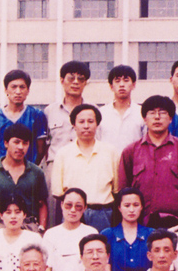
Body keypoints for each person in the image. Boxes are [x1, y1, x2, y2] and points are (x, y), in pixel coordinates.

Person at [118, 95, 178, 229]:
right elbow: (123, 191)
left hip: (175, 223)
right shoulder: (131, 151)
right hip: (140, 223)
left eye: (163, 113)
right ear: (144, 119)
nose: (157, 117)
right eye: (152, 113)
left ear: (171, 118)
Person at [52, 103, 119, 232]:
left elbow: (116, 189)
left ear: (97, 124)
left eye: (91, 121)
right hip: (73, 213)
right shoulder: (63, 153)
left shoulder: (110, 152)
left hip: (102, 214)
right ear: (74, 125)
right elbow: (58, 192)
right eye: (81, 122)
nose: (86, 126)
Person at [0, 123, 49, 231]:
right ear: (6, 143)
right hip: (2, 228)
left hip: (30, 228)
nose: (21, 147)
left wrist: (41, 229)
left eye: (25, 143)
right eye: (16, 142)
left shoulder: (36, 173)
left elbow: (42, 204)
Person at [45, 61, 91, 225]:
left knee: (81, 209)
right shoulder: (50, 111)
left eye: (81, 79)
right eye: (71, 78)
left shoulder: (92, 111)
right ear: (62, 80)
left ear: (85, 83)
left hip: (83, 165)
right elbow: (44, 144)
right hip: (55, 167)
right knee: (53, 212)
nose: (75, 82)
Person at [0, 69, 48, 165]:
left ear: (28, 91)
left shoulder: (37, 115)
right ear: (6, 90)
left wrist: (30, 169)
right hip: (3, 172)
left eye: (22, 87)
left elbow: (41, 149)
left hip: (28, 171)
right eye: (14, 87)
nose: (18, 91)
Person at [42, 188, 97, 271]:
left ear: (84, 208)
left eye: (78, 206)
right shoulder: (50, 234)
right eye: (68, 205)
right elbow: (46, 269)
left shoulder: (91, 233)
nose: (73, 210)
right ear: (61, 205)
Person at [101, 188, 153, 271]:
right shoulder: (107, 234)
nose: (132, 210)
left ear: (141, 207)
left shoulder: (151, 234)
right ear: (119, 207)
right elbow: (104, 265)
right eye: (127, 205)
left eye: (136, 205)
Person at [98, 64, 146, 154]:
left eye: (126, 80)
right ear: (111, 86)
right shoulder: (101, 113)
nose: (122, 85)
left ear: (133, 85)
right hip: (107, 161)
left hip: (134, 161)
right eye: (117, 81)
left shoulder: (142, 113)